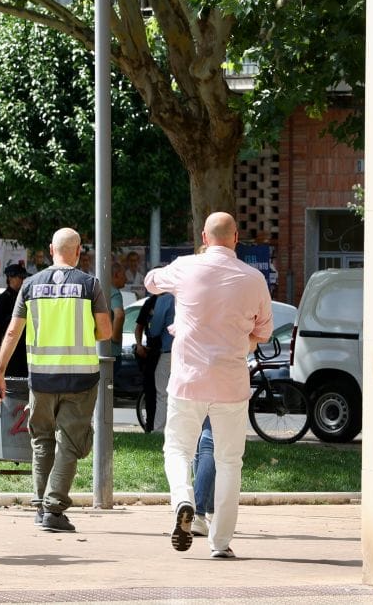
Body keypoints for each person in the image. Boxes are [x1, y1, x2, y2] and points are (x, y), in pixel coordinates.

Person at [144, 212, 273, 559]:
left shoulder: (186, 267)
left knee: (177, 450)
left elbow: (151, 283)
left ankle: (184, 500)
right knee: (230, 462)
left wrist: (165, 281)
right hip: (231, 384)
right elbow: (263, 332)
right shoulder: (253, 279)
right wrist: (239, 341)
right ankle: (220, 543)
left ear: (203, 235)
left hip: (188, 380)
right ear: (236, 237)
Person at [0, 227, 112, 533]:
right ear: (79, 251)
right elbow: (106, 331)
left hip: (41, 379)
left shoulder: (30, 285)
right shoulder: (89, 284)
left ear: (50, 249)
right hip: (80, 380)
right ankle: (54, 507)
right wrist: (84, 334)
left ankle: (39, 504)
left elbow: (13, 332)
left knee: (41, 441)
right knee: (70, 443)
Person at [0, 264, 30, 381]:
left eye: (24, 277)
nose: (23, 280)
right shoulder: (3, 300)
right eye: (20, 277)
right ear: (10, 278)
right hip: (10, 352)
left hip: (25, 351)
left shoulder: (24, 298)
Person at [145, 292, 175, 433]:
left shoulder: (165, 300)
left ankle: (159, 429)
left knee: (163, 393)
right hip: (192, 355)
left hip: (168, 352)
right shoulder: (192, 294)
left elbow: (155, 330)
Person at [132, 294, 161, 433]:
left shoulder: (173, 299)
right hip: (152, 352)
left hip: (167, 352)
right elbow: (139, 327)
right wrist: (139, 345)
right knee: (150, 391)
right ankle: (150, 426)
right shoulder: (150, 302)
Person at [107, 262, 126, 375]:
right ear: (116, 275)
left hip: (97, 349)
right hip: (112, 352)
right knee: (108, 387)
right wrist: (115, 337)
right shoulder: (115, 293)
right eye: (124, 275)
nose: (126, 279)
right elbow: (119, 315)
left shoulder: (100, 290)